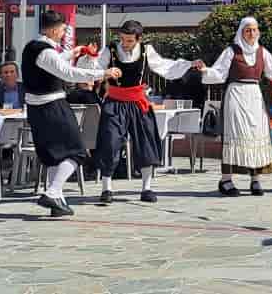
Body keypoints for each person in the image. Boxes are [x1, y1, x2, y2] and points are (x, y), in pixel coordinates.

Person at [78, 20, 202, 204]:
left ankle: (146, 188)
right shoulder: (110, 50)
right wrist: (95, 62)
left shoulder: (146, 51)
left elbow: (165, 66)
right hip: (115, 102)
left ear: (139, 39)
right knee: (110, 142)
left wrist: (189, 64)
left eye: (129, 40)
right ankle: (106, 188)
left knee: (146, 143)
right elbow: (94, 67)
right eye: (122, 39)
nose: (125, 44)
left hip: (138, 102)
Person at [21, 10, 121, 217]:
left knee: (53, 156)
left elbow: (53, 63)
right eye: (63, 30)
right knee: (77, 152)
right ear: (53, 30)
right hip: (53, 107)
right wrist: (103, 73)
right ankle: (53, 192)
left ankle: (57, 203)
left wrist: (73, 53)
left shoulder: (32, 47)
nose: (64, 33)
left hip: (36, 109)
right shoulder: (46, 51)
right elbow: (68, 73)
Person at [200, 17, 272, 197]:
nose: (251, 33)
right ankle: (226, 180)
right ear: (241, 32)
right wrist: (205, 70)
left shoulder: (262, 52)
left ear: (258, 32)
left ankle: (255, 180)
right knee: (235, 135)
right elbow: (219, 73)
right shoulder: (231, 51)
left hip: (254, 96)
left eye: (254, 30)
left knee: (256, 134)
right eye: (247, 30)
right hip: (236, 95)